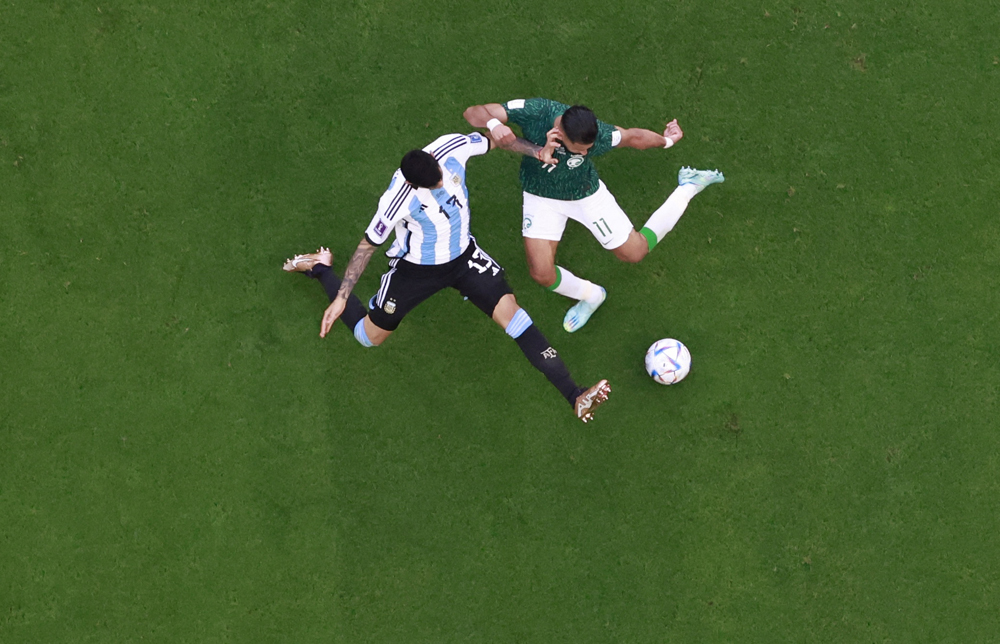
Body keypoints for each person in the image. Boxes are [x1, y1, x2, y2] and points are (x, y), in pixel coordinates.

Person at [282, 132, 611, 422]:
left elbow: (495, 138)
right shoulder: (397, 199)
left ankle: (575, 395)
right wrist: (341, 298)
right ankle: (320, 267)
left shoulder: (450, 147)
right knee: (368, 337)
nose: (442, 184)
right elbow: (367, 246)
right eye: (433, 184)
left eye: (439, 176)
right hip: (416, 271)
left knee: (517, 320)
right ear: (413, 183)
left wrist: (536, 151)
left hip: (464, 257)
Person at [463, 98, 725, 332]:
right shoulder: (536, 111)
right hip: (540, 196)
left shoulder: (598, 136)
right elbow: (473, 113)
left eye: (588, 148)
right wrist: (496, 125)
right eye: (580, 149)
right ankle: (591, 296)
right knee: (541, 273)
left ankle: (688, 186)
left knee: (635, 253)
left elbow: (633, 137)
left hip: (584, 195)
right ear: (559, 133)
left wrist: (667, 140)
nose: (587, 153)